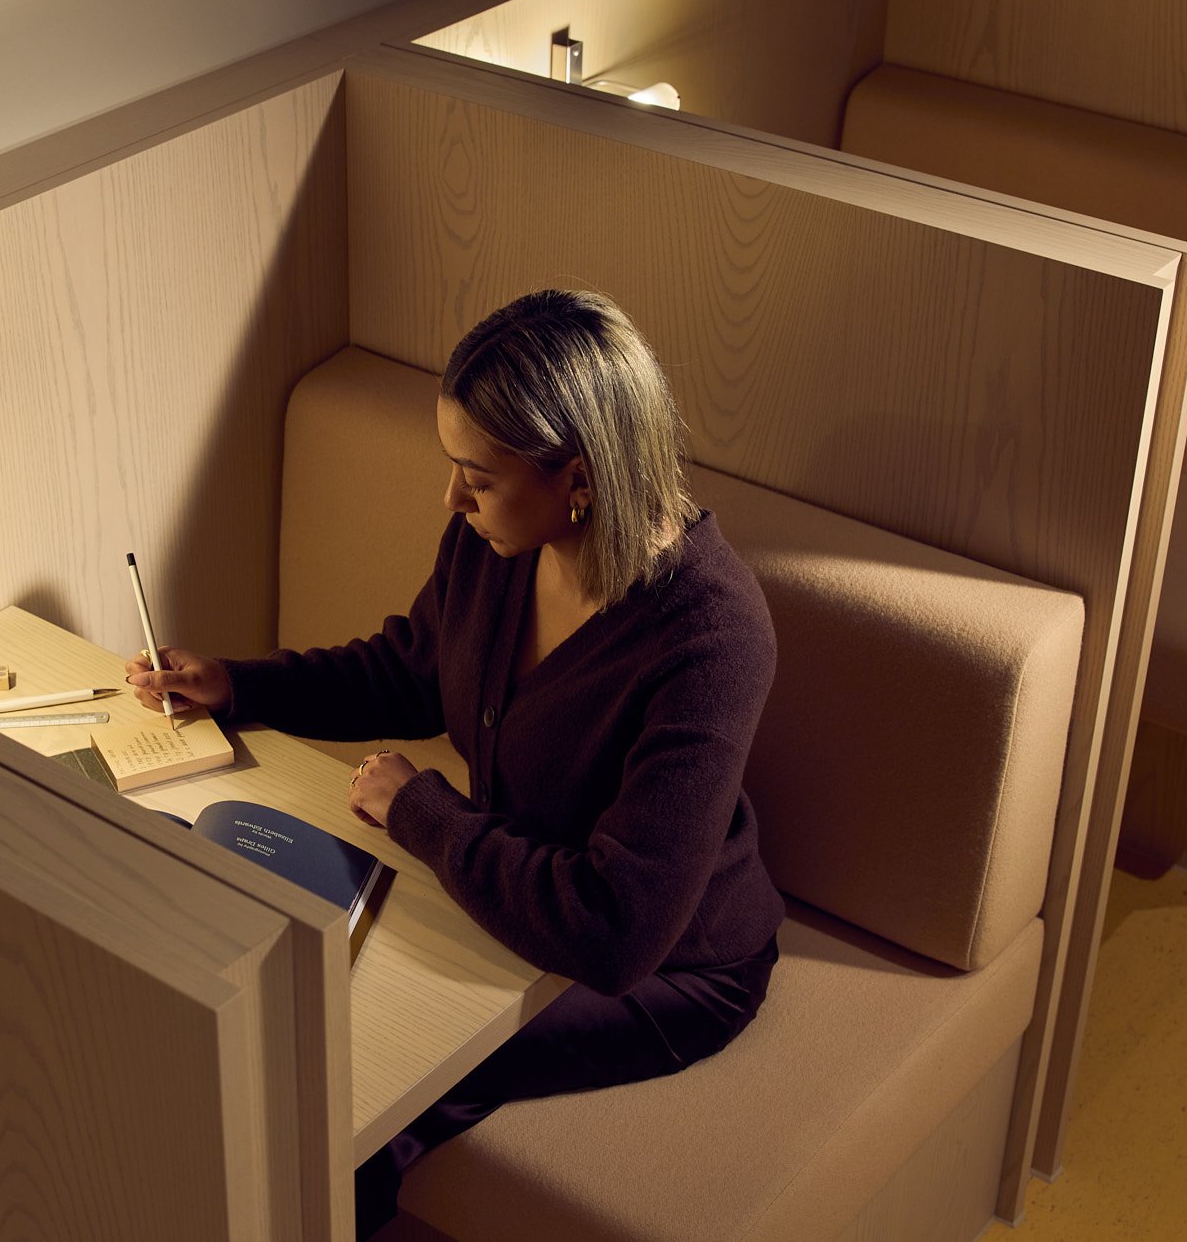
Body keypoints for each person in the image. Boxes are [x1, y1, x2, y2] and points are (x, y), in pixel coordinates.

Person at [123, 289, 783, 1238]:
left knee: (346, 1098)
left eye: (476, 474)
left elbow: (616, 932)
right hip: (507, 891)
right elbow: (411, 671)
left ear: (581, 478)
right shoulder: (499, 541)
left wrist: (424, 815)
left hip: (664, 969)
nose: (451, 498)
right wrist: (238, 685)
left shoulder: (711, 638)